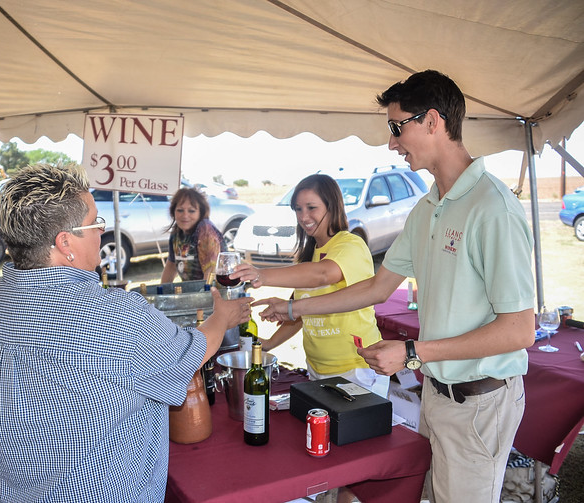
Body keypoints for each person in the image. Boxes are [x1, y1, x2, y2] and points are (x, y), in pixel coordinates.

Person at [255, 70, 536, 503]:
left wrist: (411, 352)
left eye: (396, 127)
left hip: (479, 402)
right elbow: (376, 287)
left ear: (433, 122)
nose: (391, 142)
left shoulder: (492, 206)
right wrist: (293, 311)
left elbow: (519, 330)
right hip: (437, 394)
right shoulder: (427, 209)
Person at [0, 163, 252, 503]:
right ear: (65, 242)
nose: (101, 232)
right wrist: (221, 318)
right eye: (96, 223)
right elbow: (188, 355)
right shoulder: (118, 315)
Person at [233, 174, 389, 399]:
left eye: (311, 207)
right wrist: (268, 344)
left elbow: (324, 274)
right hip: (317, 369)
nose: (303, 216)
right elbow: (299, 312)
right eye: (297, 209)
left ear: (333, 206)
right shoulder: (310, 254)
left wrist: (262, 275)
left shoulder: (351, 244)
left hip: (357, 368)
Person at [160, 187, 227, 283]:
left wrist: (202, 296)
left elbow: (211, 271)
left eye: (191, 211)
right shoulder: (177, 231)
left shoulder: (205, 230)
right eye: (180, 210)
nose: (185, 215)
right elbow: (171, 265)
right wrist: (161, 292)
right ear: (173, 211)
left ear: (201, 212)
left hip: (214, 292)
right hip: (193, 292)